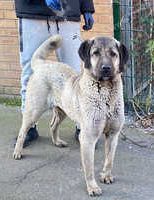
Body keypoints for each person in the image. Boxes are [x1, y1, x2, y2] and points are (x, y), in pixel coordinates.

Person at [14, 0, 95, 147]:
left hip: (68, 13)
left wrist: (86, 7)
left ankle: (82, 128)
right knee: (30, 73)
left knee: (75, 75)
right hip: (32, 13)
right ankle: (29, 128)